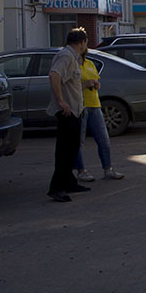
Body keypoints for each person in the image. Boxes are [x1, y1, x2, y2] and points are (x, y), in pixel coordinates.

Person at [47, 28, 90, 202]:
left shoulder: (73, 57)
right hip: (67, 111)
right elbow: (54, 75)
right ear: (81, 42)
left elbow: (71, 83)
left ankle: (69, 182)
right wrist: (61, 101)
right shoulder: (66, 56)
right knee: (65, 151)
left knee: (72, 150)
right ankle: (56, 188)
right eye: (85, 42)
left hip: (75, 110)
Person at [73, 37, 124, 183]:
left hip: (94, 104)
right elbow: (71, 86)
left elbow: (97, 81)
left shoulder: (89, 64)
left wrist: (95, 84)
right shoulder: (73, 65)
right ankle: (81, 171)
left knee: (103, 139)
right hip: (80, 106)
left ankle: (108, 169)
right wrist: (84, 84)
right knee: (79, 141)